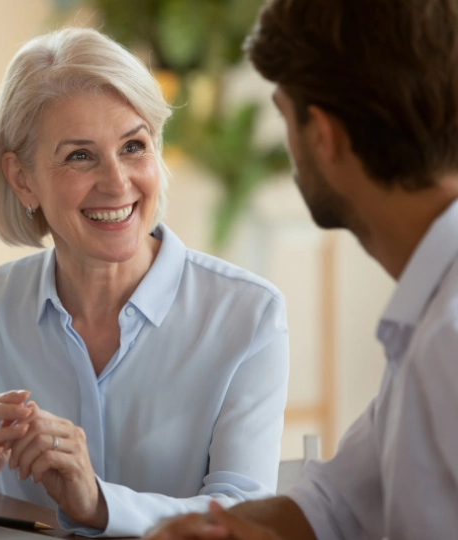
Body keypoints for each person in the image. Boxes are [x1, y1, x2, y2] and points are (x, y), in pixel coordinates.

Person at [0, 26, 289, 538]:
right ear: (22, 179)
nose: (117, 182)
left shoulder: (248, 314)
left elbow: (242, 517)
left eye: (134, 145)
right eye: (80, 155)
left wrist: (98, 502)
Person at [143, 1, 458, 539]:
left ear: (323, 136)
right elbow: (335, 505)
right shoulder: (424, 317)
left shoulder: (449, 333)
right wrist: (210, 529)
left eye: (285, 116)